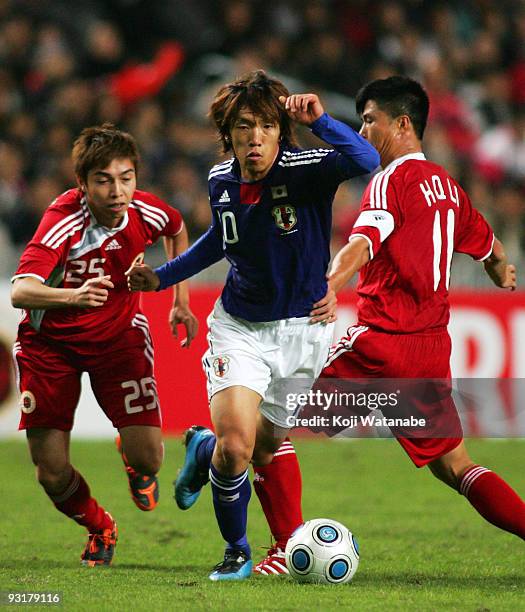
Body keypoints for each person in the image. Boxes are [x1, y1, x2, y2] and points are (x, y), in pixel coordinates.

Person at [127, 70, 380, 580]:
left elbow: (367, 160)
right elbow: (219, 243)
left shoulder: (306, 167)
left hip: (305, 331)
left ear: (279, 130)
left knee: (263, 446)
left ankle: (203, 450)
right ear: (230, 133)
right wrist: (161, 278)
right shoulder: (222, 179)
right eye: (245, 126)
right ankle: (237, 550)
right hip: (240, 326)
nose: (255, 137)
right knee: (240, 444)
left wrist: (322, 121)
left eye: (265, 125)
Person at [313, 75, 525, 540]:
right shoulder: (447, 186)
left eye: (370, 121)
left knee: (274, 426)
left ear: (402, 123)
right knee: (456, 466)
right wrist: (502, 274)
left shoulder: (390, 180)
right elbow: (490, 247)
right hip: (428, 351)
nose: (364, 132)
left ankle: (262, 536)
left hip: (380, 343)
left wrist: (330, 286)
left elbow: (361, 244)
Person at [11, 123, 198, 567]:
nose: (118, 191)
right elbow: (20, 289)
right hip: (50, 346)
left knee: (150, 458)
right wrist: (72, 297)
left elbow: (177, 228)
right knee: (51, 472)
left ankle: (134, 464)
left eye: (126, 177)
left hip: (118, 340)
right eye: (104, 180)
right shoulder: (62, 222)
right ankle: (100, 526)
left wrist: (180, 299)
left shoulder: (145, 211)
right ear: (82, 184)